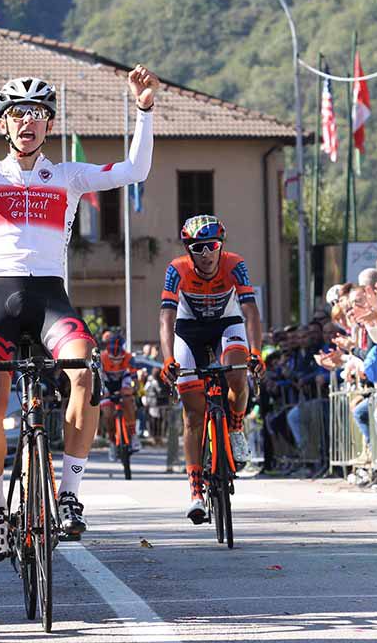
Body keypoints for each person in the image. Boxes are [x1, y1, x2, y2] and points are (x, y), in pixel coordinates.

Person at [0, 63, 157, 561]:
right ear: (4, 124)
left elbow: (136, 170)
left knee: (84, 373)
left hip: (51, 302)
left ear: (49, 124)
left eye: (37, 114)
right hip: (1, 300)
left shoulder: (68, 177)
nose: (27, 122)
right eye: (18, 114)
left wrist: (144, 109)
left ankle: (70, 496)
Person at [158, 214, 265, 524]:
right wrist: (168, 359)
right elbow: (165, 318)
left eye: (212, 246)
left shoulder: (235, 264)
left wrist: (256, 351)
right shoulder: (176, 269)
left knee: (237, 372)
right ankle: (195, 492)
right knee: (192, 412)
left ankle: (234, 427)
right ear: (188, 249)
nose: (205, 254)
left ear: (222, 246)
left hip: (226, 325)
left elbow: (250, 310)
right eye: (198, 247)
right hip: (188, 330)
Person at [98, 329, 139, 457]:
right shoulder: (101, 358)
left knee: (129, 403)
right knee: (108, 414)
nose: (116, 361)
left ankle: (133, 436)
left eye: (119, 359)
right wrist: (100, 393)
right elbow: (97, 381)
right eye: (112, 359)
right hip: (107, 384)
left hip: (123, 382)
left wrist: (134, 390)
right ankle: (111, 442)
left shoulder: (129, 358)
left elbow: (135, 380)